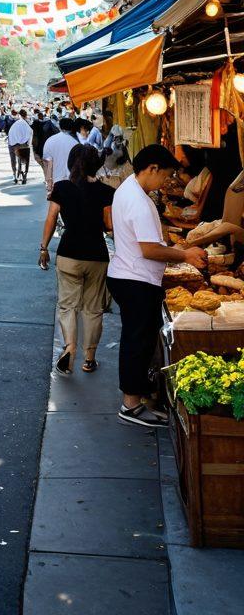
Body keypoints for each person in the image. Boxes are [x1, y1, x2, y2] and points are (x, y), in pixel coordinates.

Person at [106, 145, 208, 427]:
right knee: (137, 343)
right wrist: (186, 254)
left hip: (128, 276)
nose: (165, 181)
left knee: (137, 341)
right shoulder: (138, 201)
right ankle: (131, 406)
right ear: (152, 168)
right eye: (165, 175)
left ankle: (136, 400)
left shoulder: (128, 188)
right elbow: (149, 249)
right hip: (135, 280)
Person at [39, 145, 113, 375]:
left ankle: (69, 349)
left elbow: (51, 218)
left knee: (67, 306)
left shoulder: (62, 188)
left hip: (68, 254)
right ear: (96, 165)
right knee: (93, 308)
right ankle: (89, 359)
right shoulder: (106, 191)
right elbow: (109, 226)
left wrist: (43, 248)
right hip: (97, 256)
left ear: (72, 163)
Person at [42, 117, 79, 194]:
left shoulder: (50, 140)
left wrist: (48, 183)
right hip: (71, 181)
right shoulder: (75, 143)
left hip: (55, 182)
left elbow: (47, 164)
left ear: (60, 127)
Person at [7, 109, 33, 184]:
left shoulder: (16, 123)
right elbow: (30, 134)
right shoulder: (25, 124)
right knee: (23, 159)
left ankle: (14, 174)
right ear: (25, 116)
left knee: (13, 159)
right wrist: (28, 143)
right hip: (23, 144)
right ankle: (24, 174)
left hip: (12, 143)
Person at [32, 110, 58, 176]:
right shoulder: (47, 123)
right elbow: (56, 131)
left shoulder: (38, 123)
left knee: (46, 163)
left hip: (41, 146)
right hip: (45, 145)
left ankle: (48, 176)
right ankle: (48, 176)